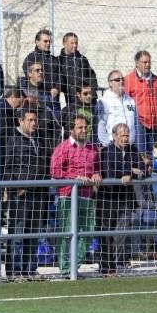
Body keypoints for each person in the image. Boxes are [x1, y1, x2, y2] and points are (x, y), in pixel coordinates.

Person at [50, 115, 101, 276]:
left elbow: (98, 168)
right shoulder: (63, 148)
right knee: (66, 232)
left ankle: (75, 265)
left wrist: (97, 175)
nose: (84, 130)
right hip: (67, 195)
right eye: (80, 127)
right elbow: (55, 171)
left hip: (87, 195)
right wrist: (74, 178)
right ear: (72, 129)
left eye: (85, 127)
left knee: (87, 232)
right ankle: (65, 268)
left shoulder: (92, 149)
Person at [3, 107, 49, 280]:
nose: (34, 123)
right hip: (20, 195)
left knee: (33, 233)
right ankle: (13, 271)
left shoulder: (39, 140)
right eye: (30, 120)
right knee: (17, 233)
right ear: (20, 121)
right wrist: (16, 188)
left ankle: (29, 269)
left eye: (35, 120)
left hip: (38, 194)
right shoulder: (13, 140)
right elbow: (7, 168)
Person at [96, 123, 145, 276]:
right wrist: (129, 170)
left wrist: (132, 173)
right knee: (107, 234)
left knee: (121, 233)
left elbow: (144, 169)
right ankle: (105, 266)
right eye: (122, 135)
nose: (125, 138)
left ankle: (117, 264)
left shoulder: (133, 149)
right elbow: (109, 171)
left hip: (126, 199)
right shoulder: (106, 151)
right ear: (114, 136)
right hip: (108, 198)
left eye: (127, 135)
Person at [124, 50, 157, 155]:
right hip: (138, 123)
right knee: (141, 154)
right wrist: (132, 116)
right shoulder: (129, 80)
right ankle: (143, 171)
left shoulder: (156, 80)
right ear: (137, 63)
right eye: (144, 62)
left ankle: (154, 171)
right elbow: (125, 102)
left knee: (155, 154)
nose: (148, 65)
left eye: (149, 62)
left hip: (154, 124)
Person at [97, 70, 137, 148]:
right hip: (113, 145)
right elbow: (100, 127)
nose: (121, 81)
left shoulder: (130, 100)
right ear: (110, 83)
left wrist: (133, 141)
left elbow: (134, 124)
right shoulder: (104, 101)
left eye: (122, 79)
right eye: (117, 80)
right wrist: (108, 145)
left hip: (129, 146)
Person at [22, 29, 60, 108]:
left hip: (54, 99)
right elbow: (29, 78)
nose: (48, 43)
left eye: (49, 41)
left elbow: (61, 77)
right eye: (45, 41)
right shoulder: (30, 58)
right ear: (37, 42)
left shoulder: (54, 59)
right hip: (38, 97)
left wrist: (57, 88)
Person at [57, 32, 98, 106]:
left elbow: (92, 75)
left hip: (88, 99)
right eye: (72, 43)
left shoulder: (82, 59)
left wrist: (93, 91)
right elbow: (60, 81)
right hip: (72, 100)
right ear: (64, 43)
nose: (75, 45)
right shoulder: (59, 61)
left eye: (76, 43)